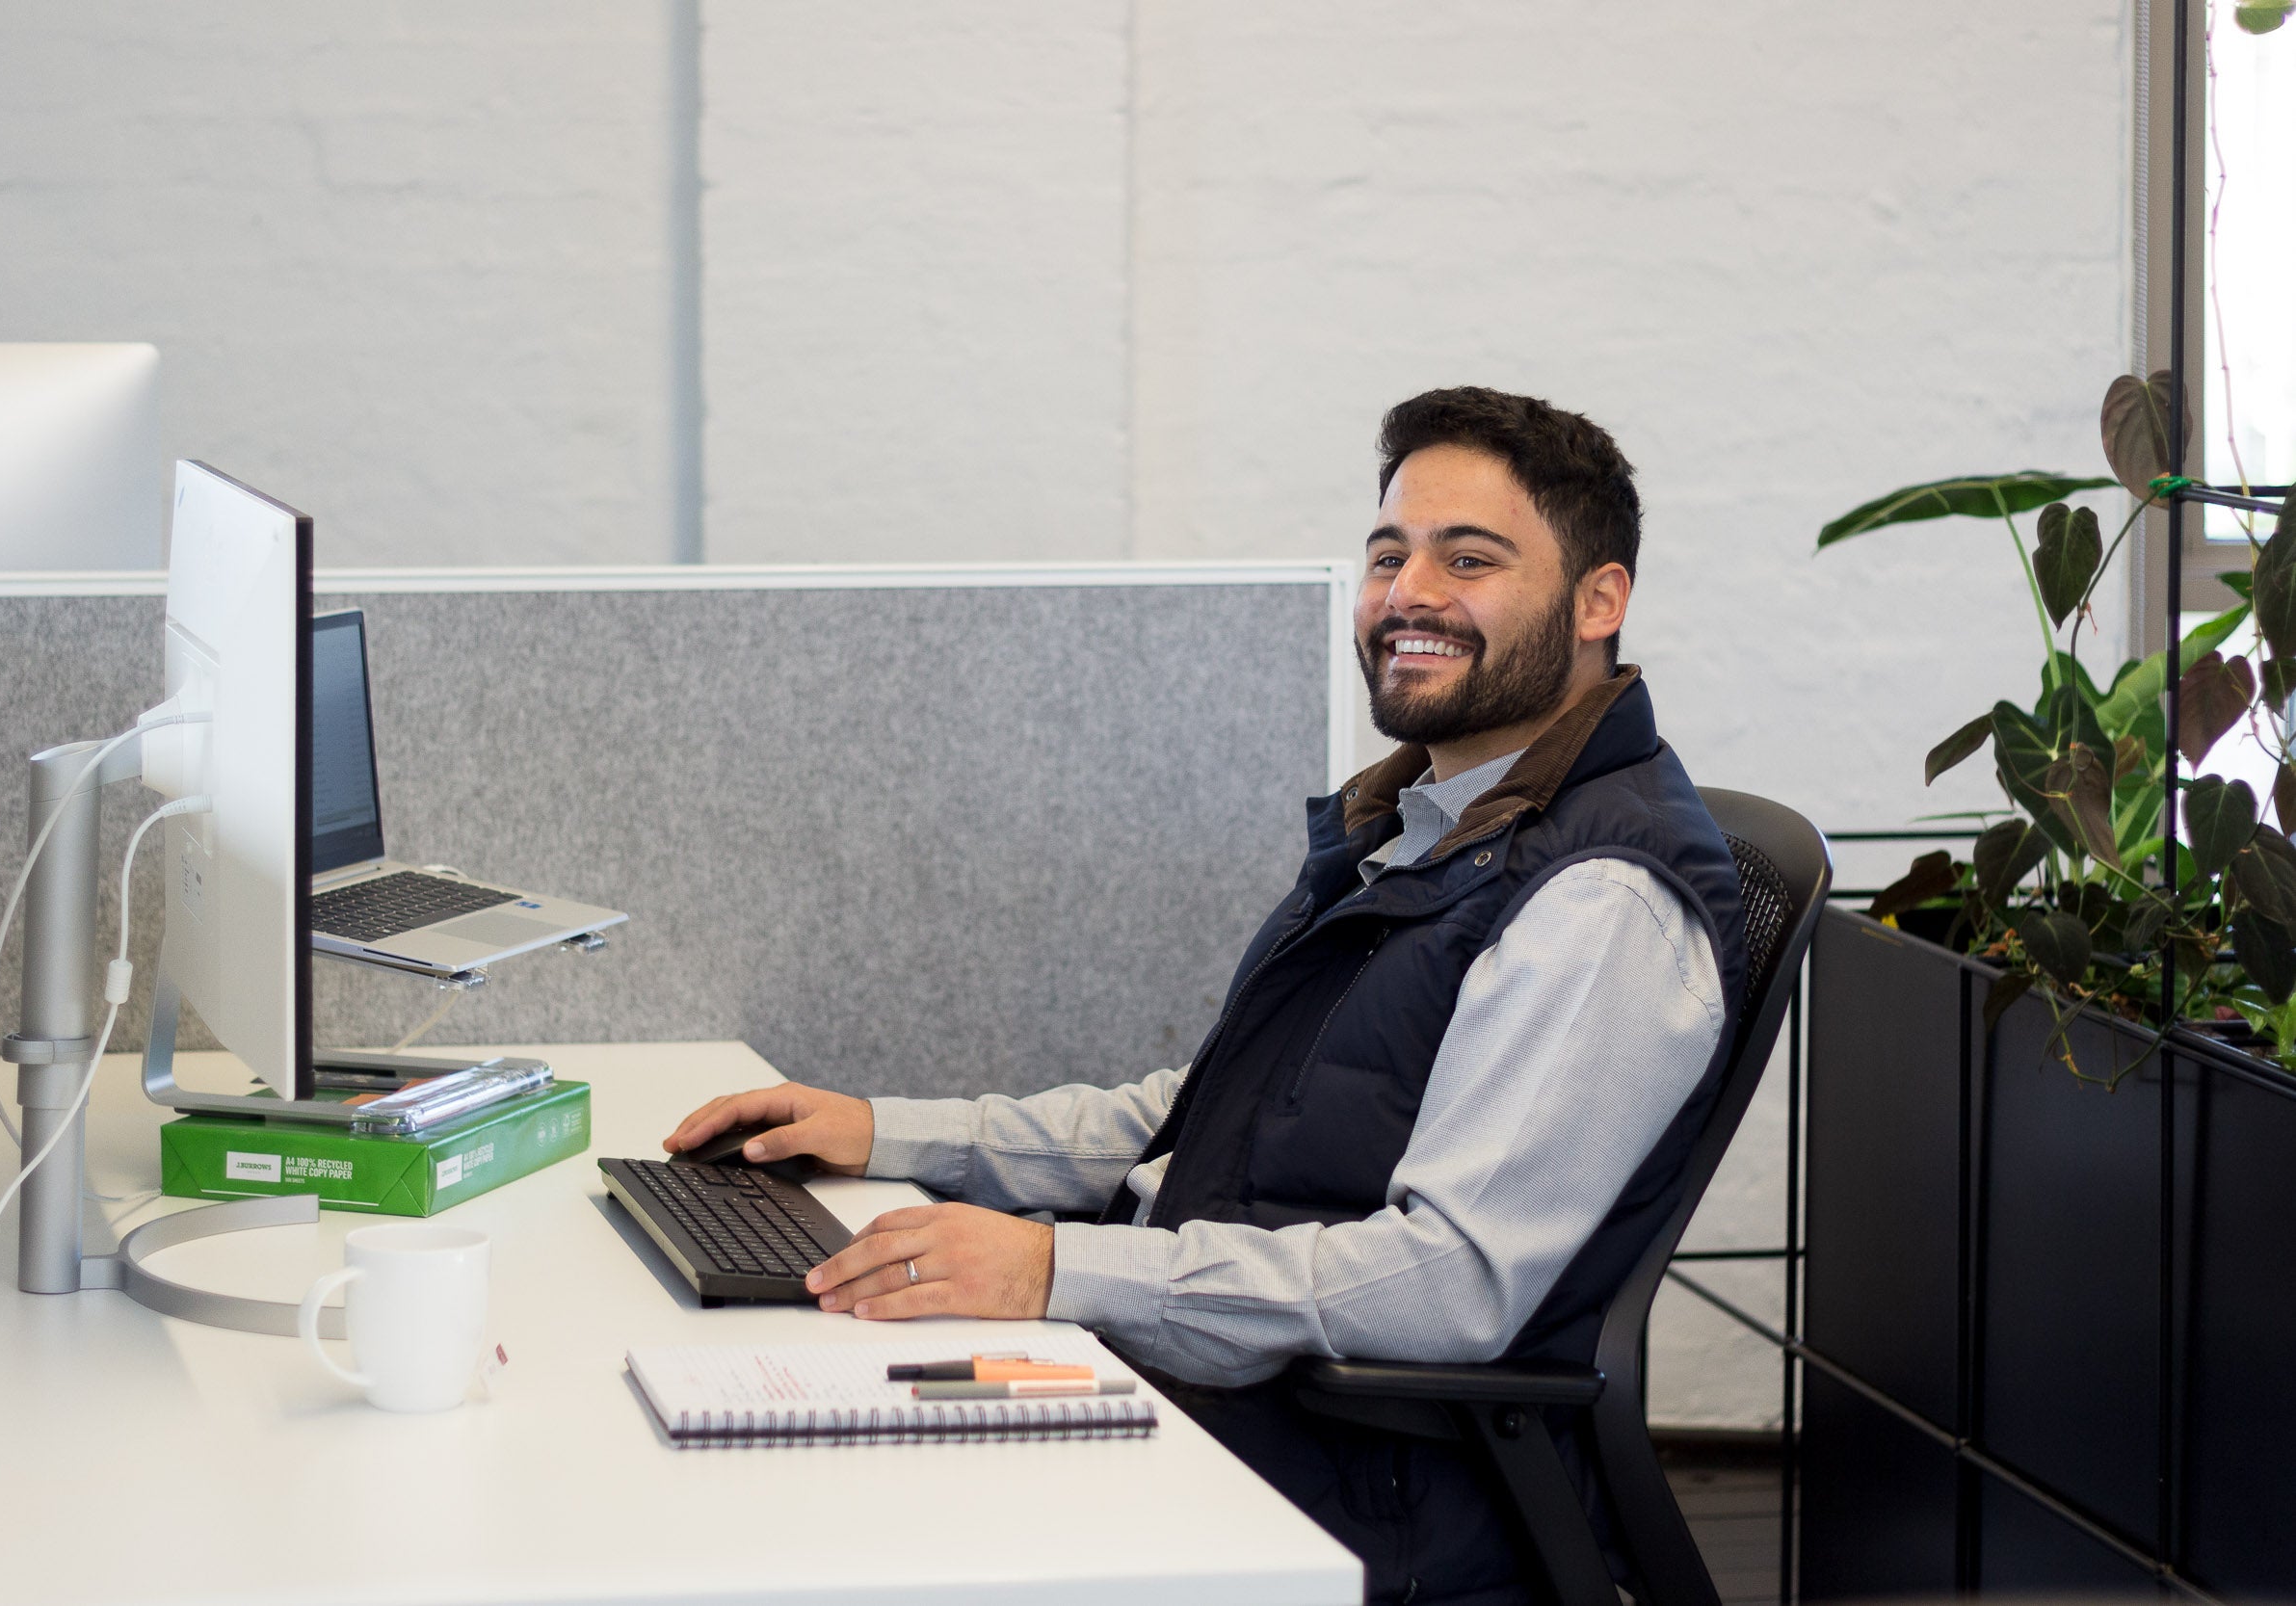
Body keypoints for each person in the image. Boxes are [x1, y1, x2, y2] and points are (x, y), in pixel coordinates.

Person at [666, 386, 1749, 1606]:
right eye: (1388, 553)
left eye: (1470, 558)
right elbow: (1226, 1107)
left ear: (1599, 600)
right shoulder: (1430, 826)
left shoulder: (1597, 900)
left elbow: (1448, 1284)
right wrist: (894, 1130)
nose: (1409, 593)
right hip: (1227, 1402)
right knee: (767, 1440)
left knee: (808, 1522)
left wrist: (1054, 1272)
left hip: (1350, 1492)